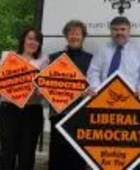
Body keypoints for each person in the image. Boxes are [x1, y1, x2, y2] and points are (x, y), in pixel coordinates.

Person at [0, 27, 49, 170]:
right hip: (9, 110)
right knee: (7, 151)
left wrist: (41, 91)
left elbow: (45, 87)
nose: (33, 42)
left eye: (37, 40)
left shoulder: (44, 60)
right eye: (30, 38)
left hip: (32, 111)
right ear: (23, 40)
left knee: (27, 153)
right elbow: (0, 82)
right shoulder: (9, 57)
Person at [48, 20, 92, 170]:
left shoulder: (91, 59)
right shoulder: (53, 58)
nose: (74, 36)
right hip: (58, 114)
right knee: (57, 157)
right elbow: (45, 84)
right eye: (71, 33)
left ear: (83, 36)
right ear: (66, 36)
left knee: (78, 157)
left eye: (77, 33)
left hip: (81, 115)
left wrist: (89, 91)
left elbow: (95, 85)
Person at [87, 16, 140, 96]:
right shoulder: (102, 49)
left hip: (131, 97)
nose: (119, 33)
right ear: (110, 31)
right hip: (104, 96)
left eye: (123, 29)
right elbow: (94, 71)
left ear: (129, 31)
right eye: (115, 29)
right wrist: (96, 88)